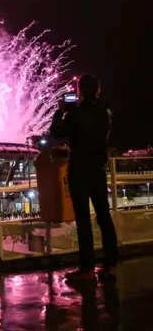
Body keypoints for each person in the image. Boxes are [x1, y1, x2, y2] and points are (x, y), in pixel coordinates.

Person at [50, 74, 118, 282]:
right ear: (98, 90)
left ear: (79, 91)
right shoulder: (105, 111)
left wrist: (60, 111)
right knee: (104, 218)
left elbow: (56, 133)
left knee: (83, 221)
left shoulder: (73, 113)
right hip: (98, 169)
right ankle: (110, 266)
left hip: (79, 170)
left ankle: (87, 270)